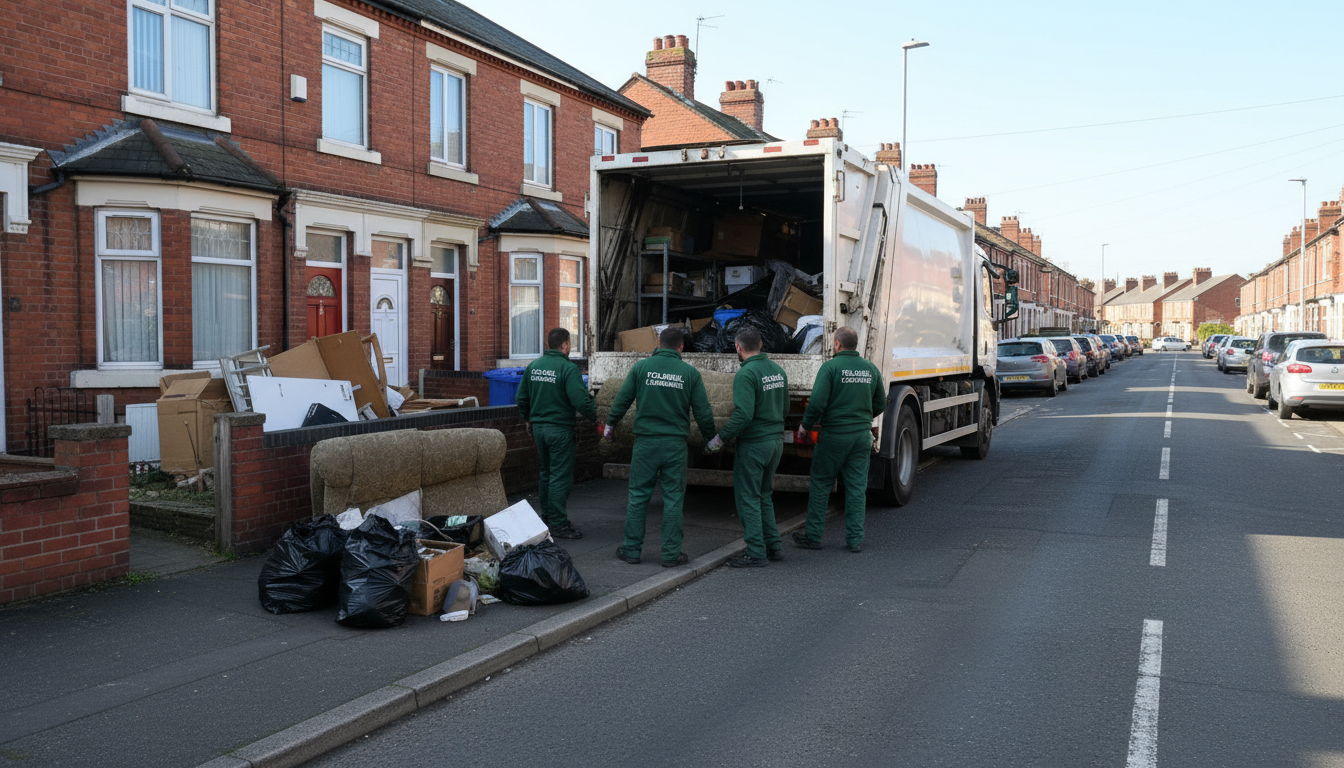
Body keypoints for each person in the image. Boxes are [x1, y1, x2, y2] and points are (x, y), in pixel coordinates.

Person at [604, 326, 716, 567]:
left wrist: (610, 425)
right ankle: (671, 554)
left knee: (638, 496)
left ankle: (632, 551)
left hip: (645, 443)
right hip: (675, 445)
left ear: (657, 343)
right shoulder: (690, 373)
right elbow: (703, 412)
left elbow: (622, 399)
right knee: (674, 498)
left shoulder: (641, 368)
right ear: (681, 347)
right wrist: (711, 439)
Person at [792, 326, 885, 553]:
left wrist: (804, 426)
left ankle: (813, 536)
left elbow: (817, 403)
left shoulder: (830, 368)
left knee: (822, 484)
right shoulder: (870, 369)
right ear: (855, 345)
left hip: (834, 436)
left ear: (837, 344)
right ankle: (854, 540)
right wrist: (861, 418)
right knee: (856, 489)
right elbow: (881, 403)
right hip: (861, 437)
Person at [705, 327, 789, 567]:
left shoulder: (746, 374)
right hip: (775, 443)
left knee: (748, 499)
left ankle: (755, 552)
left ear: (738, 347)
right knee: (764, 496)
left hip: (754, 445)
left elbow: (743, 414)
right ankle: (774, 546)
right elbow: (784, 409)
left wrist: (721, 438)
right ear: (761, 344)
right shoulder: (777, 371)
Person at [516, 327, 596, 539]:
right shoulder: (568, 369)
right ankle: (559, 524)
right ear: (566, 344)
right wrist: (599, 415)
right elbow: (580, 401)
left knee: (546, 474)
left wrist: (529, 418)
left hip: (539, 429)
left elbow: (521, 399)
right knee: (560, 477)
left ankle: (547, 518)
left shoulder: (534, 366)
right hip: (560, 429)